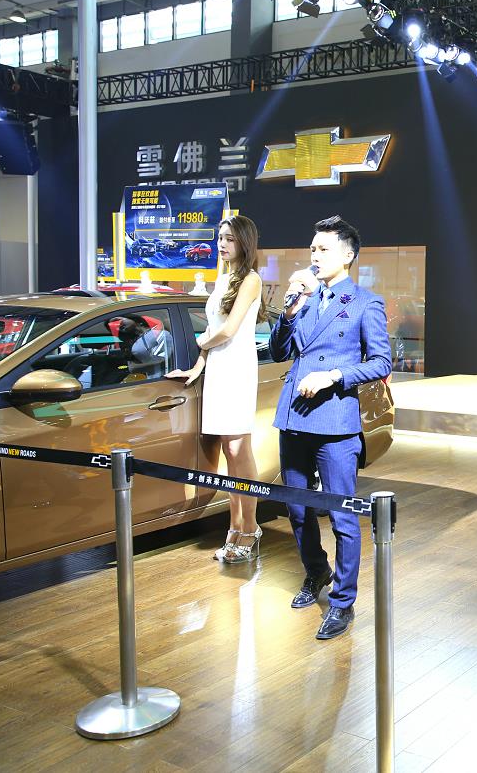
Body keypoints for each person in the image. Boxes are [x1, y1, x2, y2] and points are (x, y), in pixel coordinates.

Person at [270, 215, 391, 640]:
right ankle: (316, 572)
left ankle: (342, 602)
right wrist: (289, 309)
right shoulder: (303, 298)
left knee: (342, 516)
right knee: (297, 509)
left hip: (336, 421)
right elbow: (278, 351)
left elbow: (381, 362)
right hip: (293, 416)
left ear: (348, 256)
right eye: (312, 249)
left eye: (323, 249)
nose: (314, 256)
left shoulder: (364, 303)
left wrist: (333, 375)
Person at [167, 216, 265, 564]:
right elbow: (214, 329)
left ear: (245, 242)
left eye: (230, 239)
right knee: (228, 450)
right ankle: (235, 527)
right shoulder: (222, 279)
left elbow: (228, 330)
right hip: (219, 369)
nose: (222, 244)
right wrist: (197, 367)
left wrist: (200, 342)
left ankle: (250, 528)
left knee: (239, 449)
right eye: (220, 238)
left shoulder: (251, 279)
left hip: (237, 368)